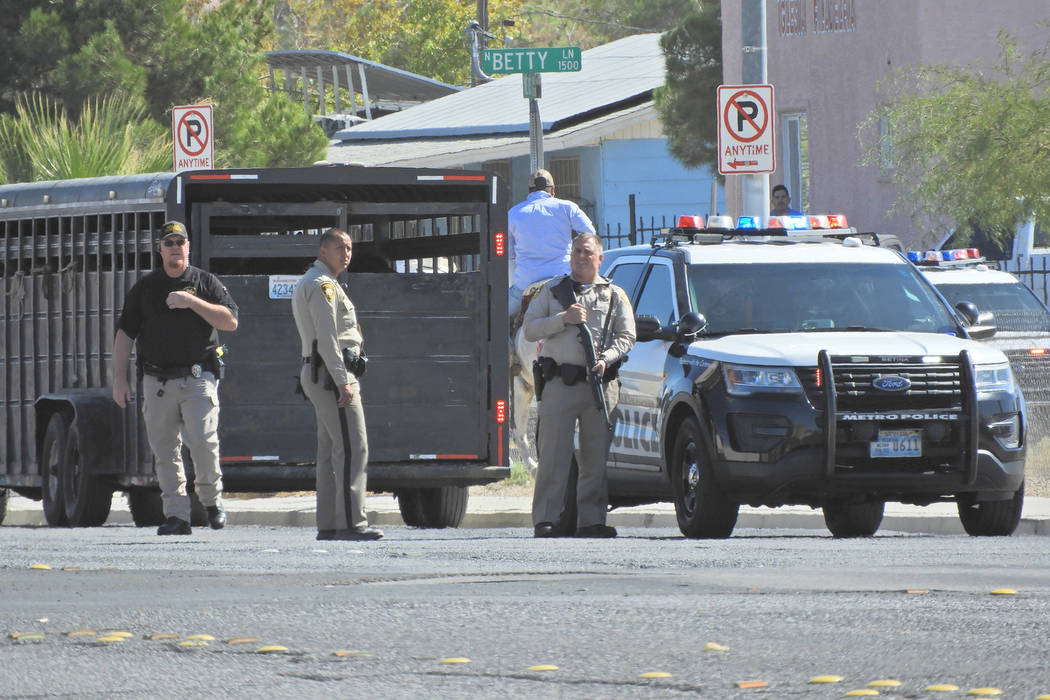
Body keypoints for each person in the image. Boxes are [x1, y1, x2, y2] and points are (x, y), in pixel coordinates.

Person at [112, 221, 239, 536]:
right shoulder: (145, 288)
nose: (174, 248)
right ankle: (177, 517)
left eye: (179, 242)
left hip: (198, 377)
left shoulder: (205, 282)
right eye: (168, 243)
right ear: (160, 249)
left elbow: (230, 321)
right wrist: (119, 378)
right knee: (165, 451)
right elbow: (125, 333)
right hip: (157, 382)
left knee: (203, 444)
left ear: (188, 247)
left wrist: (191, 301)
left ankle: (211, 502)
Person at [523, 233, 636, 538]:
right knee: (553, 456)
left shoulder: (614, 294)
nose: (580, 257)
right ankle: (546, 519)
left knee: (595, 458)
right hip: (560, 382)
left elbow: (627, 336)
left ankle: (591, 520)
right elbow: (530, 329)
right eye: (576, 251)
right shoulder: (552, 291)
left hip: (599, 384)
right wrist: (562, 318)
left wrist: (607, 359)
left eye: (587, 252)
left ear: (600, 258)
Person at [292, 228, 383, 542]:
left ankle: (330, 523)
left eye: (349, 247)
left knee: (331, 450)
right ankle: (351, 523)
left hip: (322, 372)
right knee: (353, 447)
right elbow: (328, 338)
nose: (347, 253)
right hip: (332, 375)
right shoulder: (322, 286)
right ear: (323, 252)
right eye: (340, 247)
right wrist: (343, 380)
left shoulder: (322, 283)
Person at [508, 169, 596, 318]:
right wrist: (574, 249)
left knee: (497, 320)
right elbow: (589, 233)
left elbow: (509, 254)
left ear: (529, 191)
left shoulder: (514, 213)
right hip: (562, 281)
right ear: (553, 190)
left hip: (526, 284)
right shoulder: (567, 207)